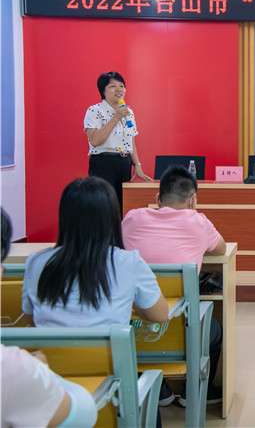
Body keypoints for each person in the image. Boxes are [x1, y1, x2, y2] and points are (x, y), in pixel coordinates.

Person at [121, 165, 225, 407]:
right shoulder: (199, 222)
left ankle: (158, 391)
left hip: (136, 328)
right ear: (193, 200)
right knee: (215, 331)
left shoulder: (132, 219)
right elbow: (220, 249)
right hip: (184, 332)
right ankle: (193, 392)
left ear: (158, 198)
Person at [21, 177, 168, 328]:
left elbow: (32, 318)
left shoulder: (36, 263)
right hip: (112, 344)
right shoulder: (128, 262)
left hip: (50, 345)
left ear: (64, 217)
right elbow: (160, 315)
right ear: (112, 217)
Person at [1, 207, 97, 428]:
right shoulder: (13, 369)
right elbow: (85, 414)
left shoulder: (36, 262)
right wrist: (37, 372)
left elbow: (31, 317)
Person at [84, 70, 152, 212]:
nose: (119, 89)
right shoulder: (94, 110)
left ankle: (119, 228)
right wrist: (116, 117)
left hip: (124, 163)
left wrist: (137, 164)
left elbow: (131, 140)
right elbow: (95, 140)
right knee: (103, 206)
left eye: (122, 86)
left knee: (122, 206)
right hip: (104, 163)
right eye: (113, 86)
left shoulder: (128, 112)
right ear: (103, 91)